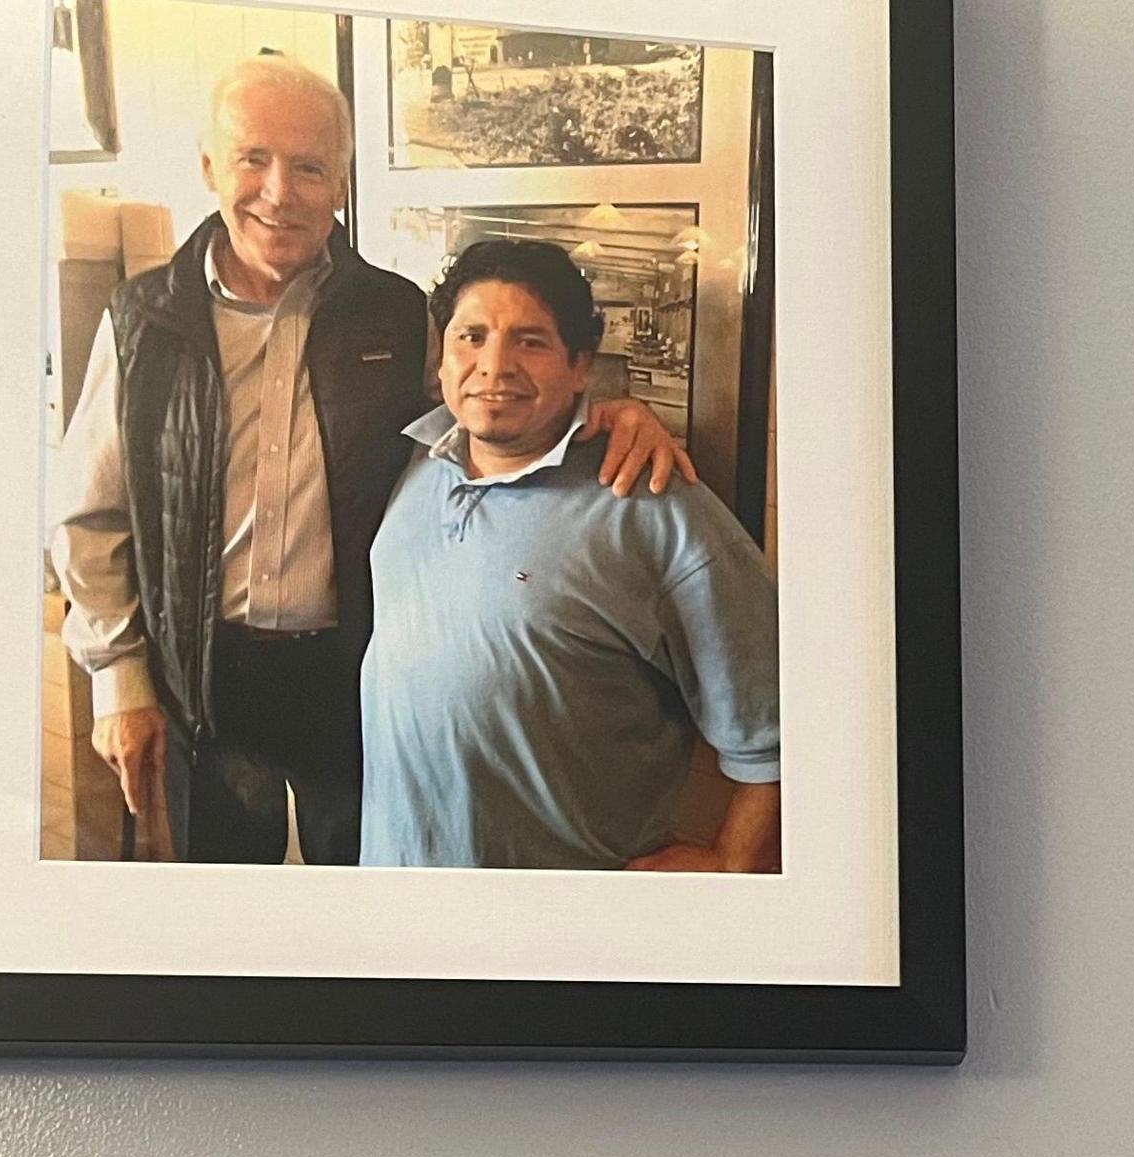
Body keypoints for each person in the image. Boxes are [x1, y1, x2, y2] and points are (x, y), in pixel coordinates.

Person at [50, 56, 691, 865]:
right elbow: (90, 515)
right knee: (222, 917)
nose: (279, 193)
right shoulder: (142, 321)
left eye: (309, 167)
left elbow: (487, 417)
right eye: (253, 159)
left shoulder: (396, 311)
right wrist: (119, 677)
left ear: (341, 181)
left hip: (356, 668)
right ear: (210, 166)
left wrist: (605, 415)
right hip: (199, 677)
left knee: (366, 891)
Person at [360, 241, 781, 872]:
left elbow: (787, 724)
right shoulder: (415, 462)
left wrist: (731, 864)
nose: (493, 366)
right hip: (397, 888)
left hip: (569, 923)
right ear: (442, 359)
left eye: (529, 341)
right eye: (470, 337)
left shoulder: (655, 505)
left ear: (581, 366)